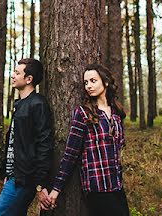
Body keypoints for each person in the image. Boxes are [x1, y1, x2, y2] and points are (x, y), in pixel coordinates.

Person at [41, 64, 129, 215]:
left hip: (117, 186)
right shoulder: (83, 113)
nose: (88, 86)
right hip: (97, 188)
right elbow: (70, 154)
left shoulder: (116, 114)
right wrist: (56, 190)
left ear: (106, 82)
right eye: (86, 82)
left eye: (93, 81)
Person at [0, 57, 54, 216]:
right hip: (14, 177)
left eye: (17, 73)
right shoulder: (20, 105)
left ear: (28, 79)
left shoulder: (38, 104)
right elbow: (14, 142)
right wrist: (7, 172)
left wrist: (40, 184)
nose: (12, 75)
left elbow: (44, 145)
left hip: (25, 179)